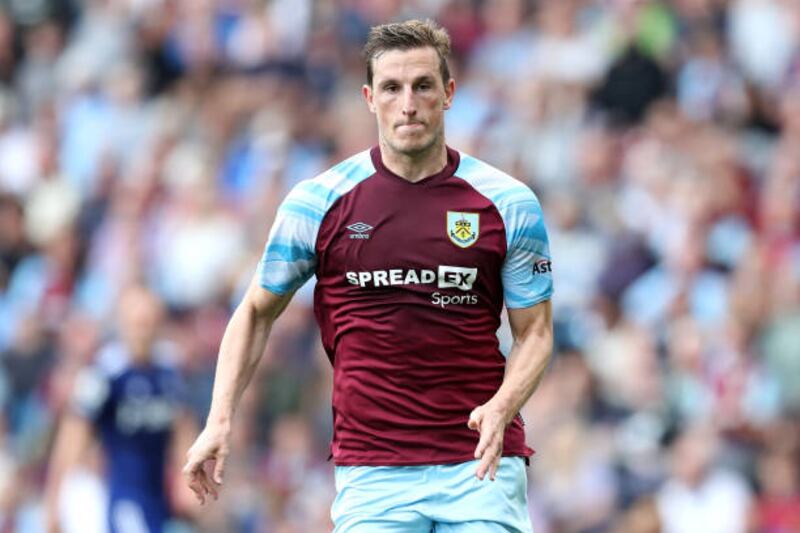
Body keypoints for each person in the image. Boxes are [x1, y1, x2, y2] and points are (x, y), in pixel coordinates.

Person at [183, 19, 554, 532]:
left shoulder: (508, 203)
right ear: (368, 97)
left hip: (480, 466)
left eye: (423, 86)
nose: (408, 104)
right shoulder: (318, 202)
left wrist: (503, 405)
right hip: (374, 473)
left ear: (448, 93)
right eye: (392, 88)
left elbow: (535, 331)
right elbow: (254, 311)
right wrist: (219, 418)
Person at [44, 286, 196, 533]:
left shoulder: (169, 373)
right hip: (123, 497)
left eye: (150, 322)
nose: (144, 331)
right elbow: (72, 437)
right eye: (138, 322)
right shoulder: (104, 374)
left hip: (160, 497)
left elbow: (183, 429)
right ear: (123, 324)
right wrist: (54, 500)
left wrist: (188, 482)